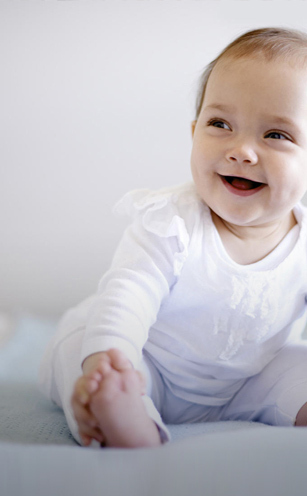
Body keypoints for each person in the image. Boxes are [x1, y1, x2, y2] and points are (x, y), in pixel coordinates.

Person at [39, 27, 307, 448]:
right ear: (193, 132)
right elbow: (129, 293)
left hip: (246, 382)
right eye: (220, 123)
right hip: (149, 366)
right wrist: (111, 359)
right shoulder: (171, 221)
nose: (241, 151)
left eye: (275, 134)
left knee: (298, 367)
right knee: (84, 353)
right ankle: (120, 411)